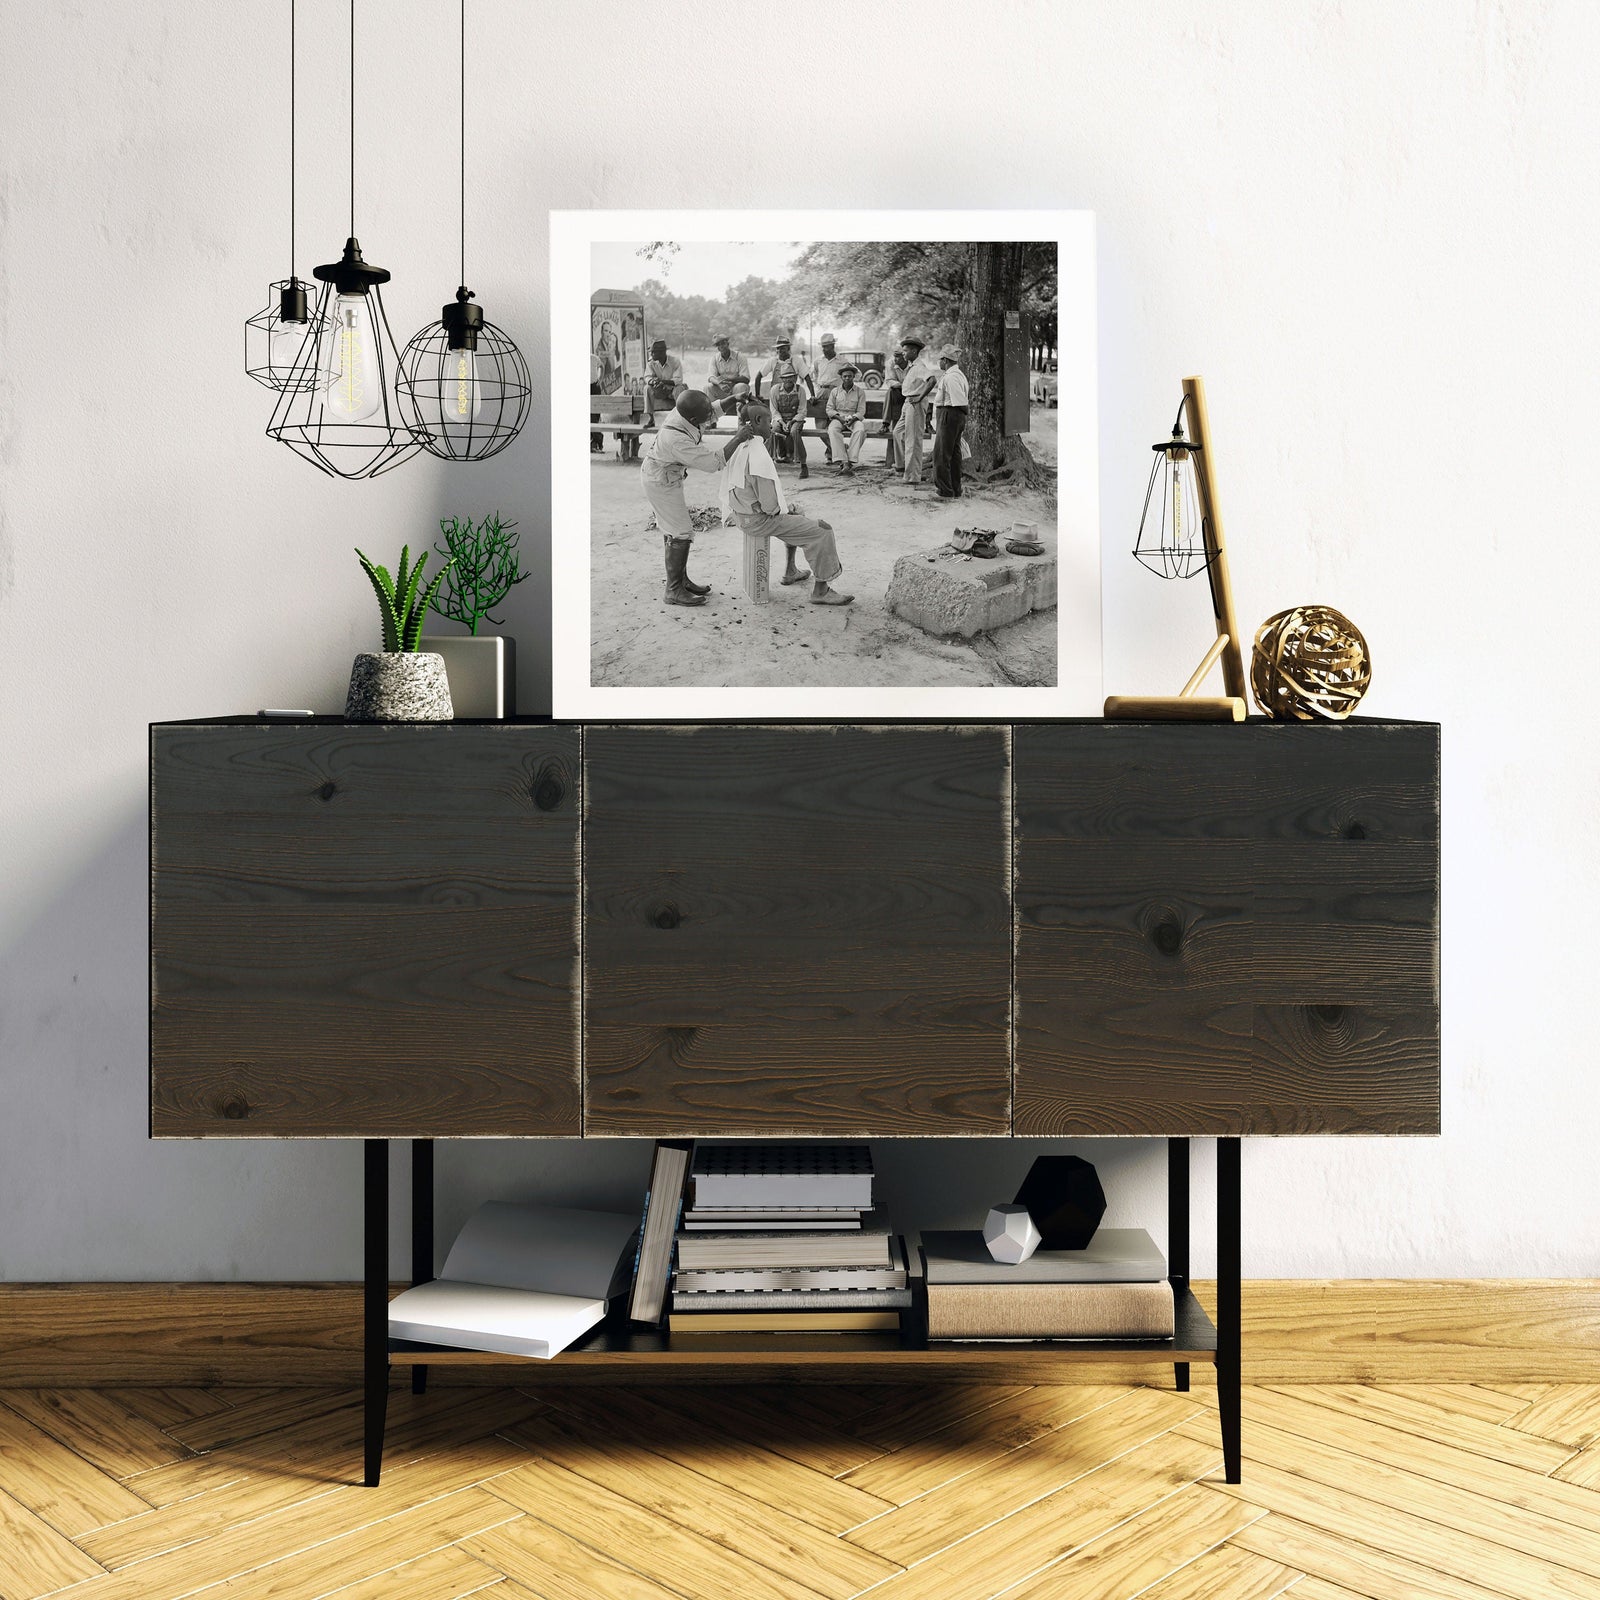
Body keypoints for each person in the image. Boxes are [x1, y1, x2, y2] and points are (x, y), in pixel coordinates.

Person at [722, 401, 853, 605]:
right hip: (758, 520)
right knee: (822, 530)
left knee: (795, 512)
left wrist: (786, 509)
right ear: (757, 421)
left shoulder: (739, 445)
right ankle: (821, 590)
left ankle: (790, 571)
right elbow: (770, 508)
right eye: (768, 420)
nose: (772, 424)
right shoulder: (757, 454)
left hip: (741, 514)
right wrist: (784, 509)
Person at [640, 390, 754, 607]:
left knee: (673, 529)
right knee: (681, 532)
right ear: (693, 419)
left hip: (665, 476)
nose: (711, 414)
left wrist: (732, 398)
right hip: (659, 481)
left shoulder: (683, 412)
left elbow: (709, 412)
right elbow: (714, 463)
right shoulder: (676, 440)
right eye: (706, 412)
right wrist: (738, 438)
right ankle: (673, 590)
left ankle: (681, 581)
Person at [932, 344, 970, 499]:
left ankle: (945, 491)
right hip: (952, 415)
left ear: (945, 360)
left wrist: (955, 417)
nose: (938, 363)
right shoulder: (958, 374)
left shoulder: (952, 377)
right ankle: (955, 489)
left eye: (940, 360)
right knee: (953, 454)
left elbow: (960, 401)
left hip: (950, 414)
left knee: (941, 455)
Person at [897, 335, 936, 485]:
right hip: (908, 403)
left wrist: (920, 397)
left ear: (914, 351)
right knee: (897, 433)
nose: (903, 353)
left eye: (906, 351)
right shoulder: (912, 367)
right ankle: (902, 467)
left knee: (913, 440)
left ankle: (912, 476)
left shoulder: (919, 367)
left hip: (915, 403)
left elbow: (932, 380)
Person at [826, 364, 867, 475]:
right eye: (845, 376)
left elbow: (861, 410)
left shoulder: (860, 392)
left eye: (850, 376)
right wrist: (839, 418)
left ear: (853, 377)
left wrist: (853, 419)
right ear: (841, 378)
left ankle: (850, 460)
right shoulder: (835, 391)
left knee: (860, 430)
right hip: (839, 418)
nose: (847, 378)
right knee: (832, 430)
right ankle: (843, 461)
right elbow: (829, 409)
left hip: (853, 418)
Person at [811, 333, 844, 463]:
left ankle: (831, 454)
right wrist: (816, 389)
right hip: (821, 392)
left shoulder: (842, 360)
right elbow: (812, 375)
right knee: (820, 428)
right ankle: (840, 450)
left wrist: (843, 386)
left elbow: (856, 374)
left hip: (836, 392)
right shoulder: (818, 360)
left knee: (832, 426)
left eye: (827, 347)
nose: (824, 350)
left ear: (833, 346)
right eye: (823, 347)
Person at [769, 369, 808, 475]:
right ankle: (771, 461)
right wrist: (782, 422)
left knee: (794, 431)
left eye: (791, 377)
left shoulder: (801, 390)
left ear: (795, 378)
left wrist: (791, 422)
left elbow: (802, 411)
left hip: (795, 419)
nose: (788, 380)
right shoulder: (775, 390)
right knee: (774, 429)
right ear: (782, 379)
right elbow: (774, 410)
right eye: (786, 377)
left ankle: (803, 463)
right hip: (780, 419)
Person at [755, 336, 813, 403]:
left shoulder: (796, 361)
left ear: (788, 348)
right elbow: (758, 376)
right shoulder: (773, 361)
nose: (780, 350)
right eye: (778, 348)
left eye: (782, 348)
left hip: (791, 398)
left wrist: (812, 395)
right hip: (775, 397)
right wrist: (757, 395)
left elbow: (807, 377)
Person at [705, 335, 745, 414]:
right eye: (719, 345)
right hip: (722, 388)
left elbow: (745, 378)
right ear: (717, 348)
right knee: (708, 387)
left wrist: (729, 380)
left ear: (728, 344)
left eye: (723, 343)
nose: (721, 346)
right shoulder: (714, 358)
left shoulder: (739, 356)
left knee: (741, 386)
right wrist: (719, 383)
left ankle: (741, 421)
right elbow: (711, 377)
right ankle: (711, 419)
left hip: (735, 387)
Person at [645, 339, 684, 419]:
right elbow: (647, 377)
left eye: (653, 352)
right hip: (659, 390)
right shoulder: (651, 363)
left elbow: (678, 380)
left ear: (662, 353)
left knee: (679, 388)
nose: (651, 354)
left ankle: (681, 417)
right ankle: (651, 418)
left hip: (672, 391)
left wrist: (663, 382)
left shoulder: (675, 361)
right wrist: (654, 382)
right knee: (647, 388)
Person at [882, 348, 907, 471]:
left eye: (899, 356)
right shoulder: (890, 363)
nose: (896, 359)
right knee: (890, 392)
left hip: (909, 394)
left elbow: (916, 383)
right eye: (895, 356)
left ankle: (901, 463)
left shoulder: (911, 364)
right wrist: (903, 385)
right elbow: (890, 381)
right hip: (898, 391)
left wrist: (908, 387)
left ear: (904, 356)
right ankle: (885, 423)